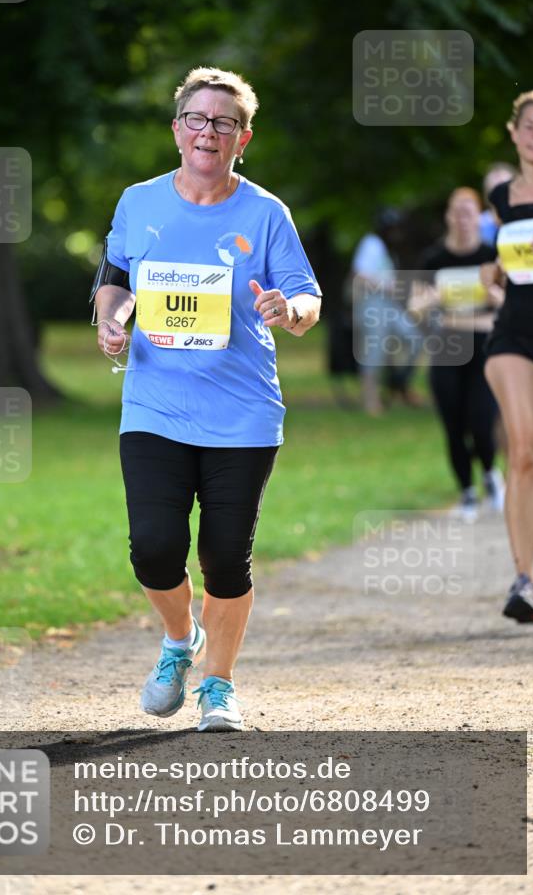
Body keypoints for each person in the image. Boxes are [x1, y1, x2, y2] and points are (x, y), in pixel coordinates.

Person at [88, 67, 321, 730]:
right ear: (177, 130)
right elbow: (115, 278)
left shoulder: (265, 213)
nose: (208, 132)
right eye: (197, 119)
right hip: (155, 406)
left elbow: (307, 298)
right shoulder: (139, 202)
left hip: (242, 414)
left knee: (224, 558)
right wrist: (113, 318)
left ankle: (217, 685)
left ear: (242, 138)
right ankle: (178, 639)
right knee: (153, 547)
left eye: (224, 123)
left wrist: (289, 309)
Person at [480, 89, 533, 623]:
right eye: (531, 125)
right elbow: (498, 261)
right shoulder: (501, 197)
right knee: (522, 451)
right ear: (514, 131)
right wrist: (492, 272)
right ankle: (524, 581)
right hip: (515, 332)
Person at [409, 188, 504, 523]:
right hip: (446, 349)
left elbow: (509, 306)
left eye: (469, 212)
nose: (463, 219)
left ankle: (490, 473)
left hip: (484, 349)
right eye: (457, 212)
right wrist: (429, 302)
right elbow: (415, 309)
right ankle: (467, 492)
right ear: (448, 217)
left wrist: (493, 299)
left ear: (478, 217)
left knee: (481, 420)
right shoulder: (433, 259)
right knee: (453, 424)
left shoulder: (492, 255)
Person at [351, 208, 423, 415]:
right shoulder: (371, 244)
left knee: (415, 339)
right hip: (372, 304)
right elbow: (359, 276)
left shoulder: (386, 248)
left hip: (389, 305)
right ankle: (371, 400)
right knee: (374, 352)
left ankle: (399, 384)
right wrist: (384, 286)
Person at [479, 163, 515, 246]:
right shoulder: (478, 224)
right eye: (494, 190)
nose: (500, 194)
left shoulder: (525, 222)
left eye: (504, 189)